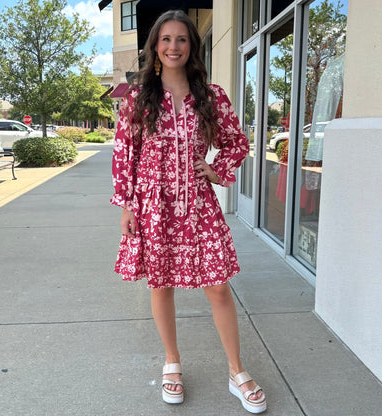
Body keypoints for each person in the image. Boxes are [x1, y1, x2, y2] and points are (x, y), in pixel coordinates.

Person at [111, 9, 267, 414]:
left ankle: (236, 370)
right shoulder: (137, 99)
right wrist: (127, 204)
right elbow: (124, 154)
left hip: (198, 204)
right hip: (152, 205)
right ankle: (172, 362)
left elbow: (237, 142)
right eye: (166, 39)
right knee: (160, 285)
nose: (173, 46)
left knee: (217, 286)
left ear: (192, 47)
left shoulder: (211, 96)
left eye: (181, 39)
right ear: (155, 47)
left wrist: (217, 170)